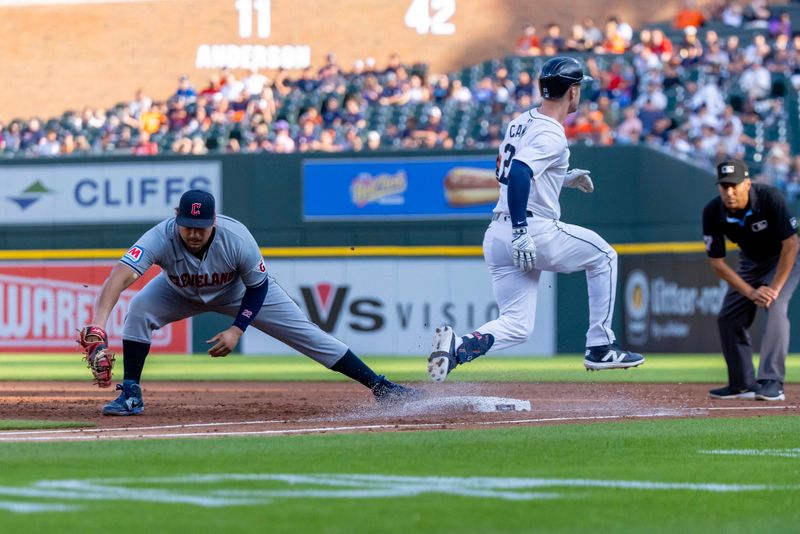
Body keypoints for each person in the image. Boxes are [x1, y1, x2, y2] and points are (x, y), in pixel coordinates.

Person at [82, 189, 420, 415]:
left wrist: (237, 328)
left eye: (201, 226)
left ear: (213, 221)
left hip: (239, 292)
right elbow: (121, 275)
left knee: (310, 336)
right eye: (188, 227)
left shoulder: (237, 237)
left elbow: (257, 288)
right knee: (139, 310)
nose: (195, 233)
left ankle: (381, 387)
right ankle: (130, 394)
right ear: (176, 220)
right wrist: (98, 323)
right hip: (177, 290)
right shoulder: (160, 235)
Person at [426, 57, 645, 382]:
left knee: (517, 324)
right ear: (573, 91)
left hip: (496, 236)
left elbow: (507, 171)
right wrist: (521, 231)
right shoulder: (552, 133)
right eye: (579, 88)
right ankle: (601, 346)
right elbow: (518, 174)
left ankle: (457, 348)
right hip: (531, 229)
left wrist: (563, 177)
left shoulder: (520, 122)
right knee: (604, 257)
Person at [703, 160, 799, 401]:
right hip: (751, 263)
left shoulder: (769, 197)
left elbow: (791, 244)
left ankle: (771, 380)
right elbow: (717, 263)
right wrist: (749, 292)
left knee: (775, 304)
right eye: (724, 186)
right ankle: (742, 384)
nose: (729, 192)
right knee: (728, 318)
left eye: (734, 185)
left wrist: (773, 288)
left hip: (784, 257)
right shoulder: (713, 211)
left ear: (748, 183)